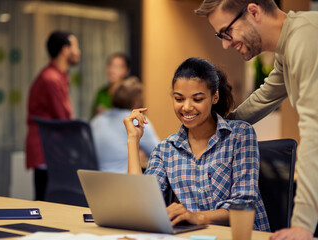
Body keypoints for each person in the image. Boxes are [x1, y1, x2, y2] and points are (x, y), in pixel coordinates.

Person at [195, 1, 318, 239]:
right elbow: (264, 97)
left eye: (226, 32)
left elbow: (314, 131)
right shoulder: (288, 47)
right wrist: (218, 126)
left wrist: (302, 224)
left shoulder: (305, 37)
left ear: (253, 11)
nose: (225, 43)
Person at [123, 57, 270, 231]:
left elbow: (243, 205)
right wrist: (133, 140)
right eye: (179, 99)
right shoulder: (166, 150)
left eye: (197, 99)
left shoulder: (239, 135)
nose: (186, 107)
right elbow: (141, 204)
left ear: (214, 97)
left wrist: (196, 217)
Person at [25, 30, 81, 200]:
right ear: (65, 50)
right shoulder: (51, 79)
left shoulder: (58, 76)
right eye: (76, 46)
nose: (79, 51)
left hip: (50, 147)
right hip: (47, 149)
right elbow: (63, 119)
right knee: (46, 200)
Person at [91, 77, 159, 173]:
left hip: (95, 183)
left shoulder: (96, 120)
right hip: (123, 183)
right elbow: (161, 156)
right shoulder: (136, 120)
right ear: (137, 103)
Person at [92, 53, 131, 117]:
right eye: (110, 65)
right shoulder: (101, 93)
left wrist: (107, 114)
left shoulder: (129, 95)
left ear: (126, 71)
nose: (112, 70)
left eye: (117, 67)